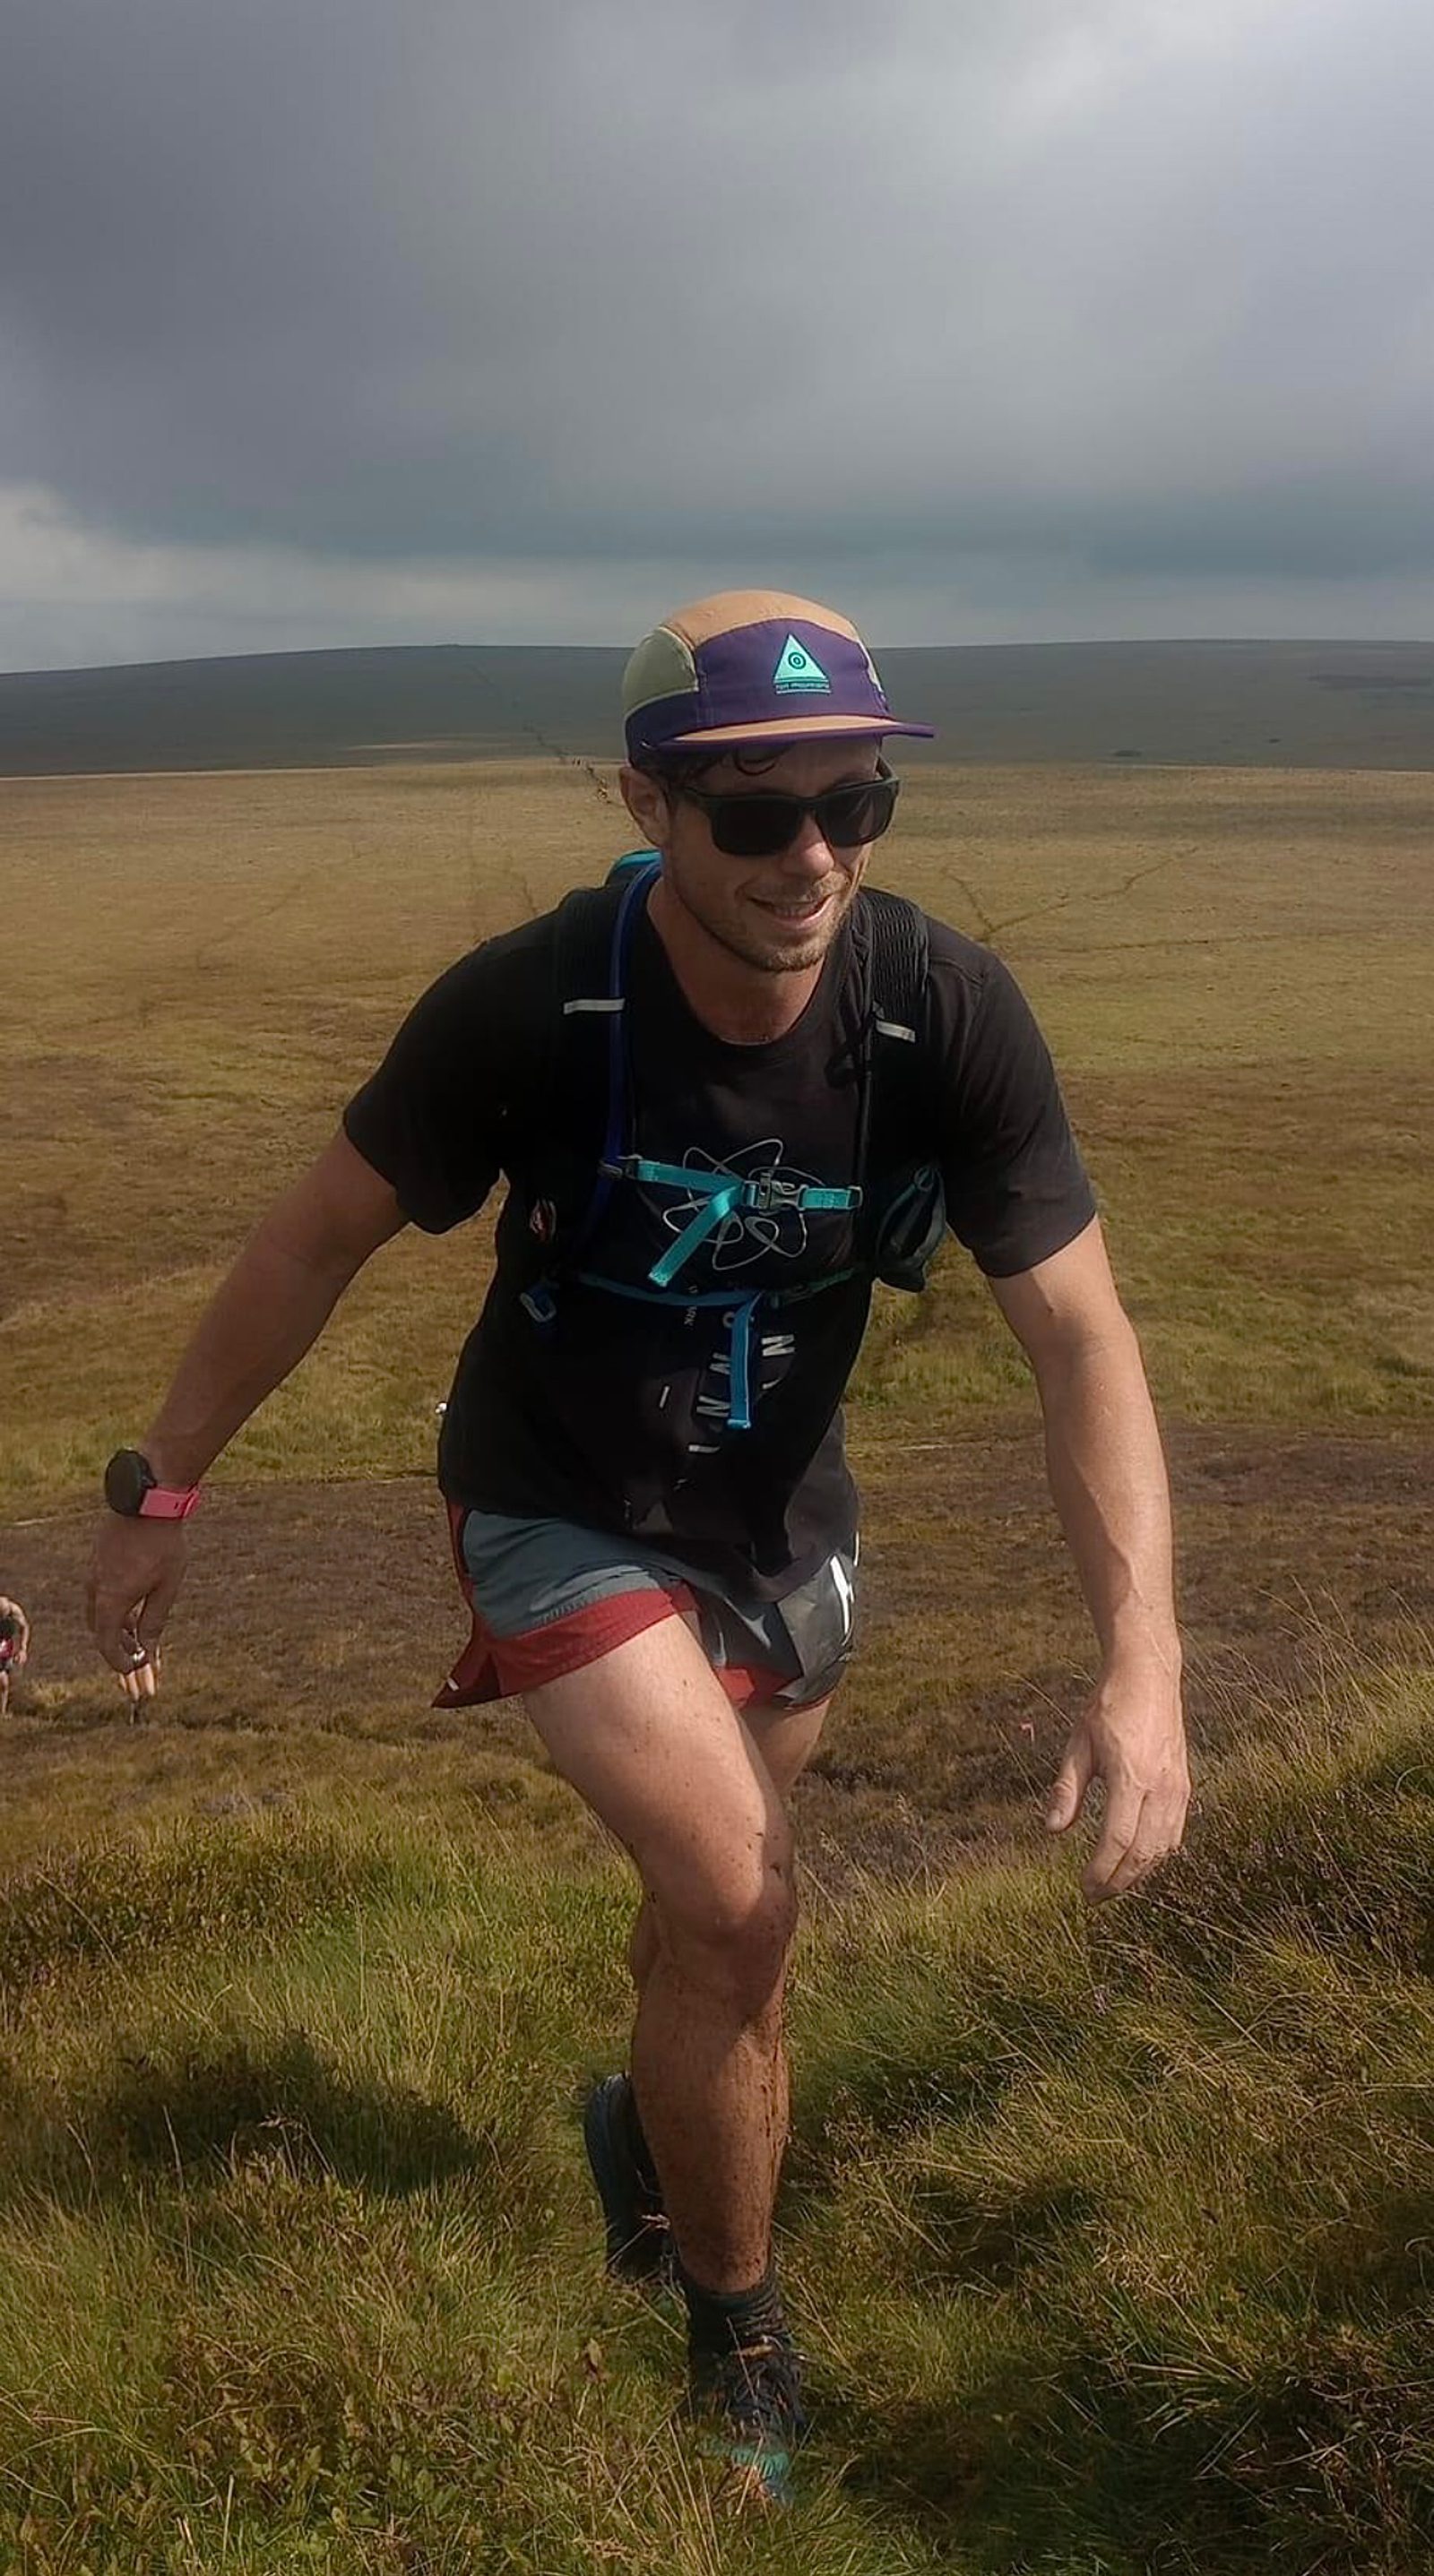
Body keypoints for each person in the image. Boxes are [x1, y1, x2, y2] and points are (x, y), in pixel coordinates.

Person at [87, 589, 1189, 2503]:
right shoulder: (535, 1002)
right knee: (747, 1900)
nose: (811, 856)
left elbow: (1080, 1333)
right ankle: (734, 2326)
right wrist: (162, 1492)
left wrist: (1143, 1662)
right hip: (553, 1504)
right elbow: (309, 1241)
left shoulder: (937, 1008)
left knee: (714, 1941)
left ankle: (638, 2137)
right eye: (751, 814)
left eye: (852, 807)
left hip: (777, 1523)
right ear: (646, 802)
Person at [0, 1598, 30, 1716]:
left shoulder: (14, 1611)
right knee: (3, 1681)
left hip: (5, 1645)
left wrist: (23, 1649)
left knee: (7, 1680)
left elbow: (24, 1627)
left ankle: (2, 1713)